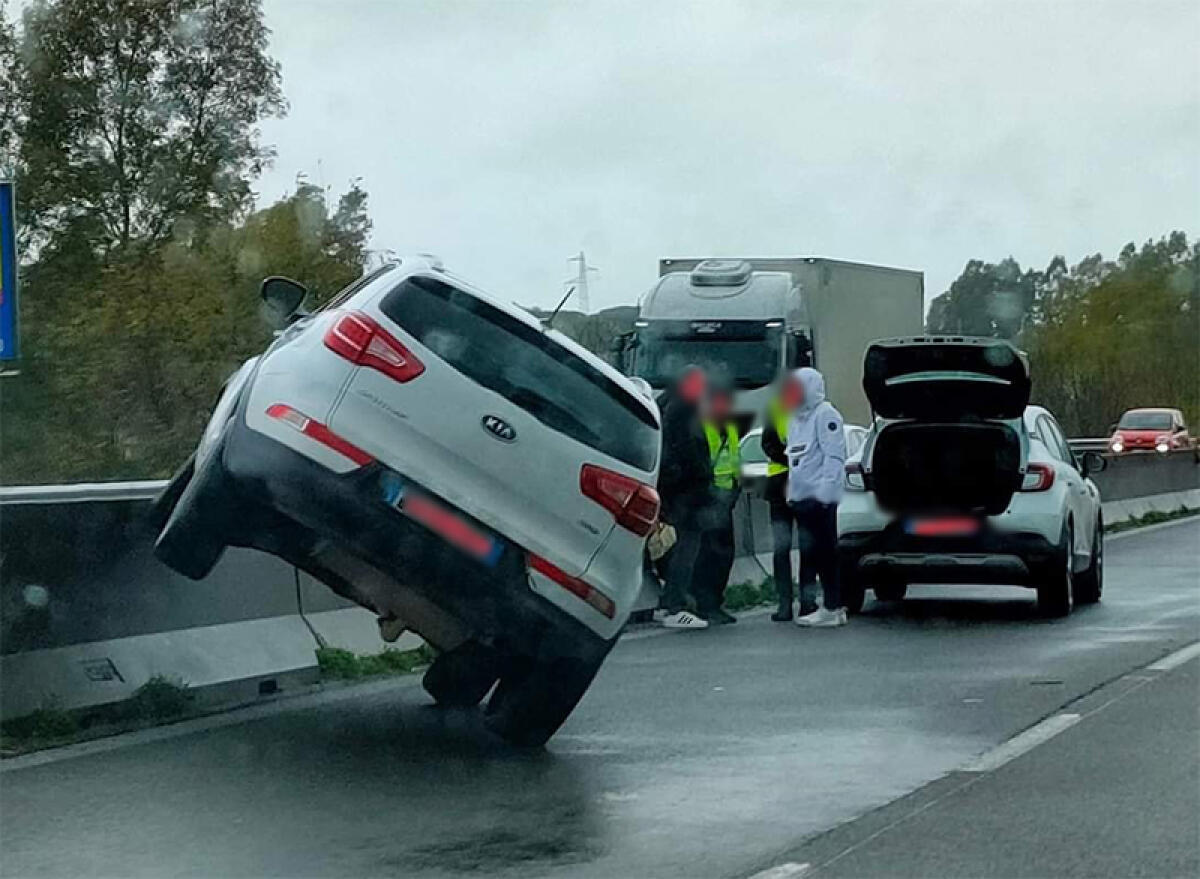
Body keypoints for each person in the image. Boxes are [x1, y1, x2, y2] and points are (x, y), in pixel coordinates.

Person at [786, 367, 849, 628]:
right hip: (802, 499)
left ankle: (834, 607)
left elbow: (834, 457)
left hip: (820, 499)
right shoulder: (795, 419)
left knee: (825, 552)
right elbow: (796, 460)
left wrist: (824, 493)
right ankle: (821, 605)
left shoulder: (826, 415)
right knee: (810, 554)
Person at [656, 365, 713, 629]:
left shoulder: (664, 404)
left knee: (674, 545)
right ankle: (674, 605)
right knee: (687, 547)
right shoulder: (684, 409)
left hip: (671, 489)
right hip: (688, 491)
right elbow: (689, 450)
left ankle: (666, 601)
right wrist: (703, 475)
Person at [761, 374, 817, 621]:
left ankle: (805, 601)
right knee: (783, 547)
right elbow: (768, 443)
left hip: (800, 482)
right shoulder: (777, 408)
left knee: (804, 546)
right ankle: (787, 603)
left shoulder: (812, 410)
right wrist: (794, 461)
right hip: (784, 483)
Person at [693, 381, 740, 625]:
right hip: (709, 500)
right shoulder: (702, 427)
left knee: (725, 554)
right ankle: (705, 603)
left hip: (727, 499)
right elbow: (699, 464)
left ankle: (715, 602)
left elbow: (735, 461)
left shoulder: (730, 427)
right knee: (709, 555)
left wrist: (736, 490)